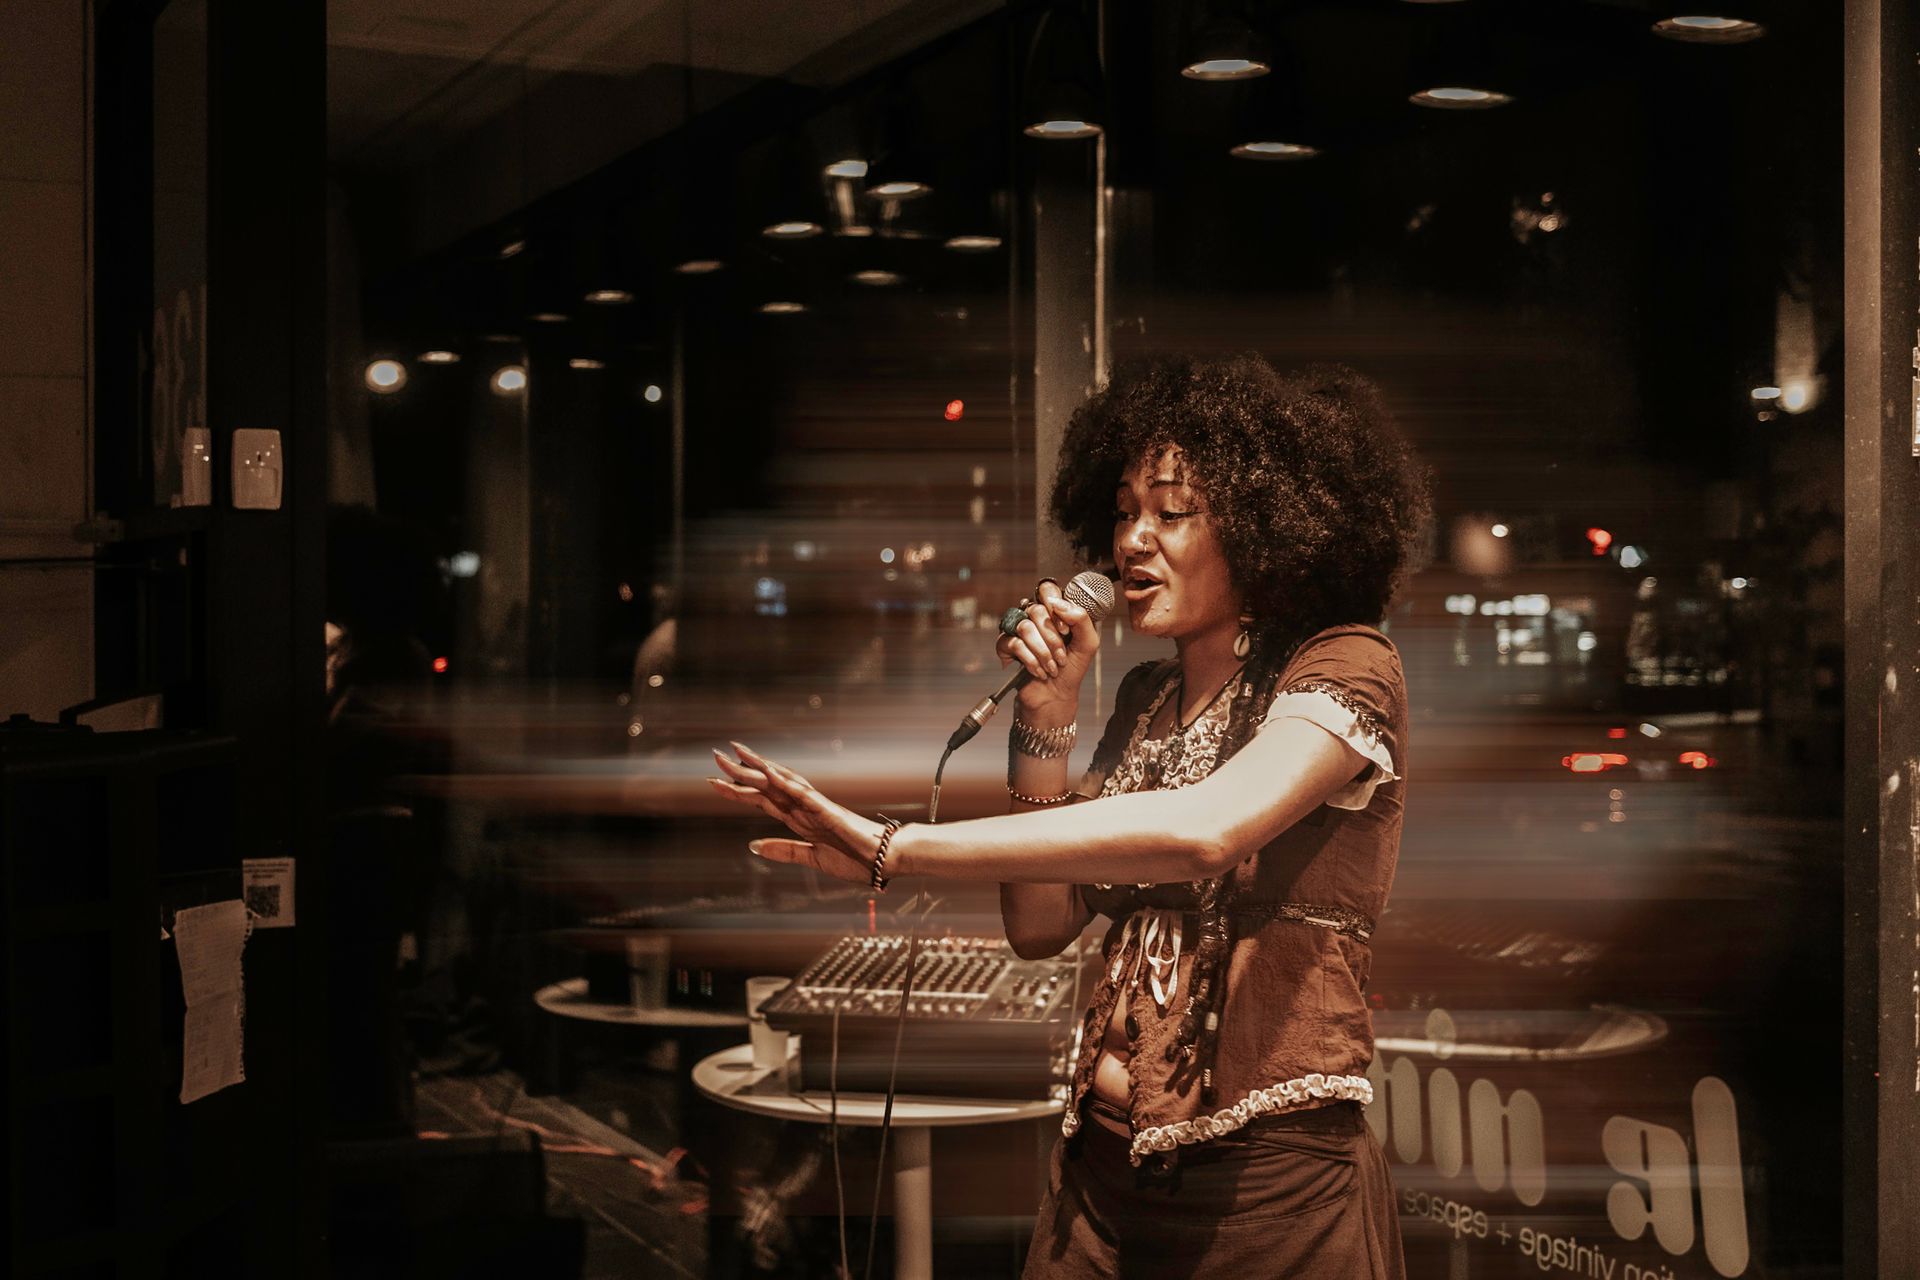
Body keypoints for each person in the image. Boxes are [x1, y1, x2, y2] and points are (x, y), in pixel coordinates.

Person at [709, 353, 1431, 1278]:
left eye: (1173, 514)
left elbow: (1208, 828)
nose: (1134, 539)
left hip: (1266, 1189)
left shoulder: (1343, 666)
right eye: (1125, 510)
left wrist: (902, 847)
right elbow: (1040, 925)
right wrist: (1043, 723)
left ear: (1263, 528)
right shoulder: (1143, 697)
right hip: (1096, 1171)